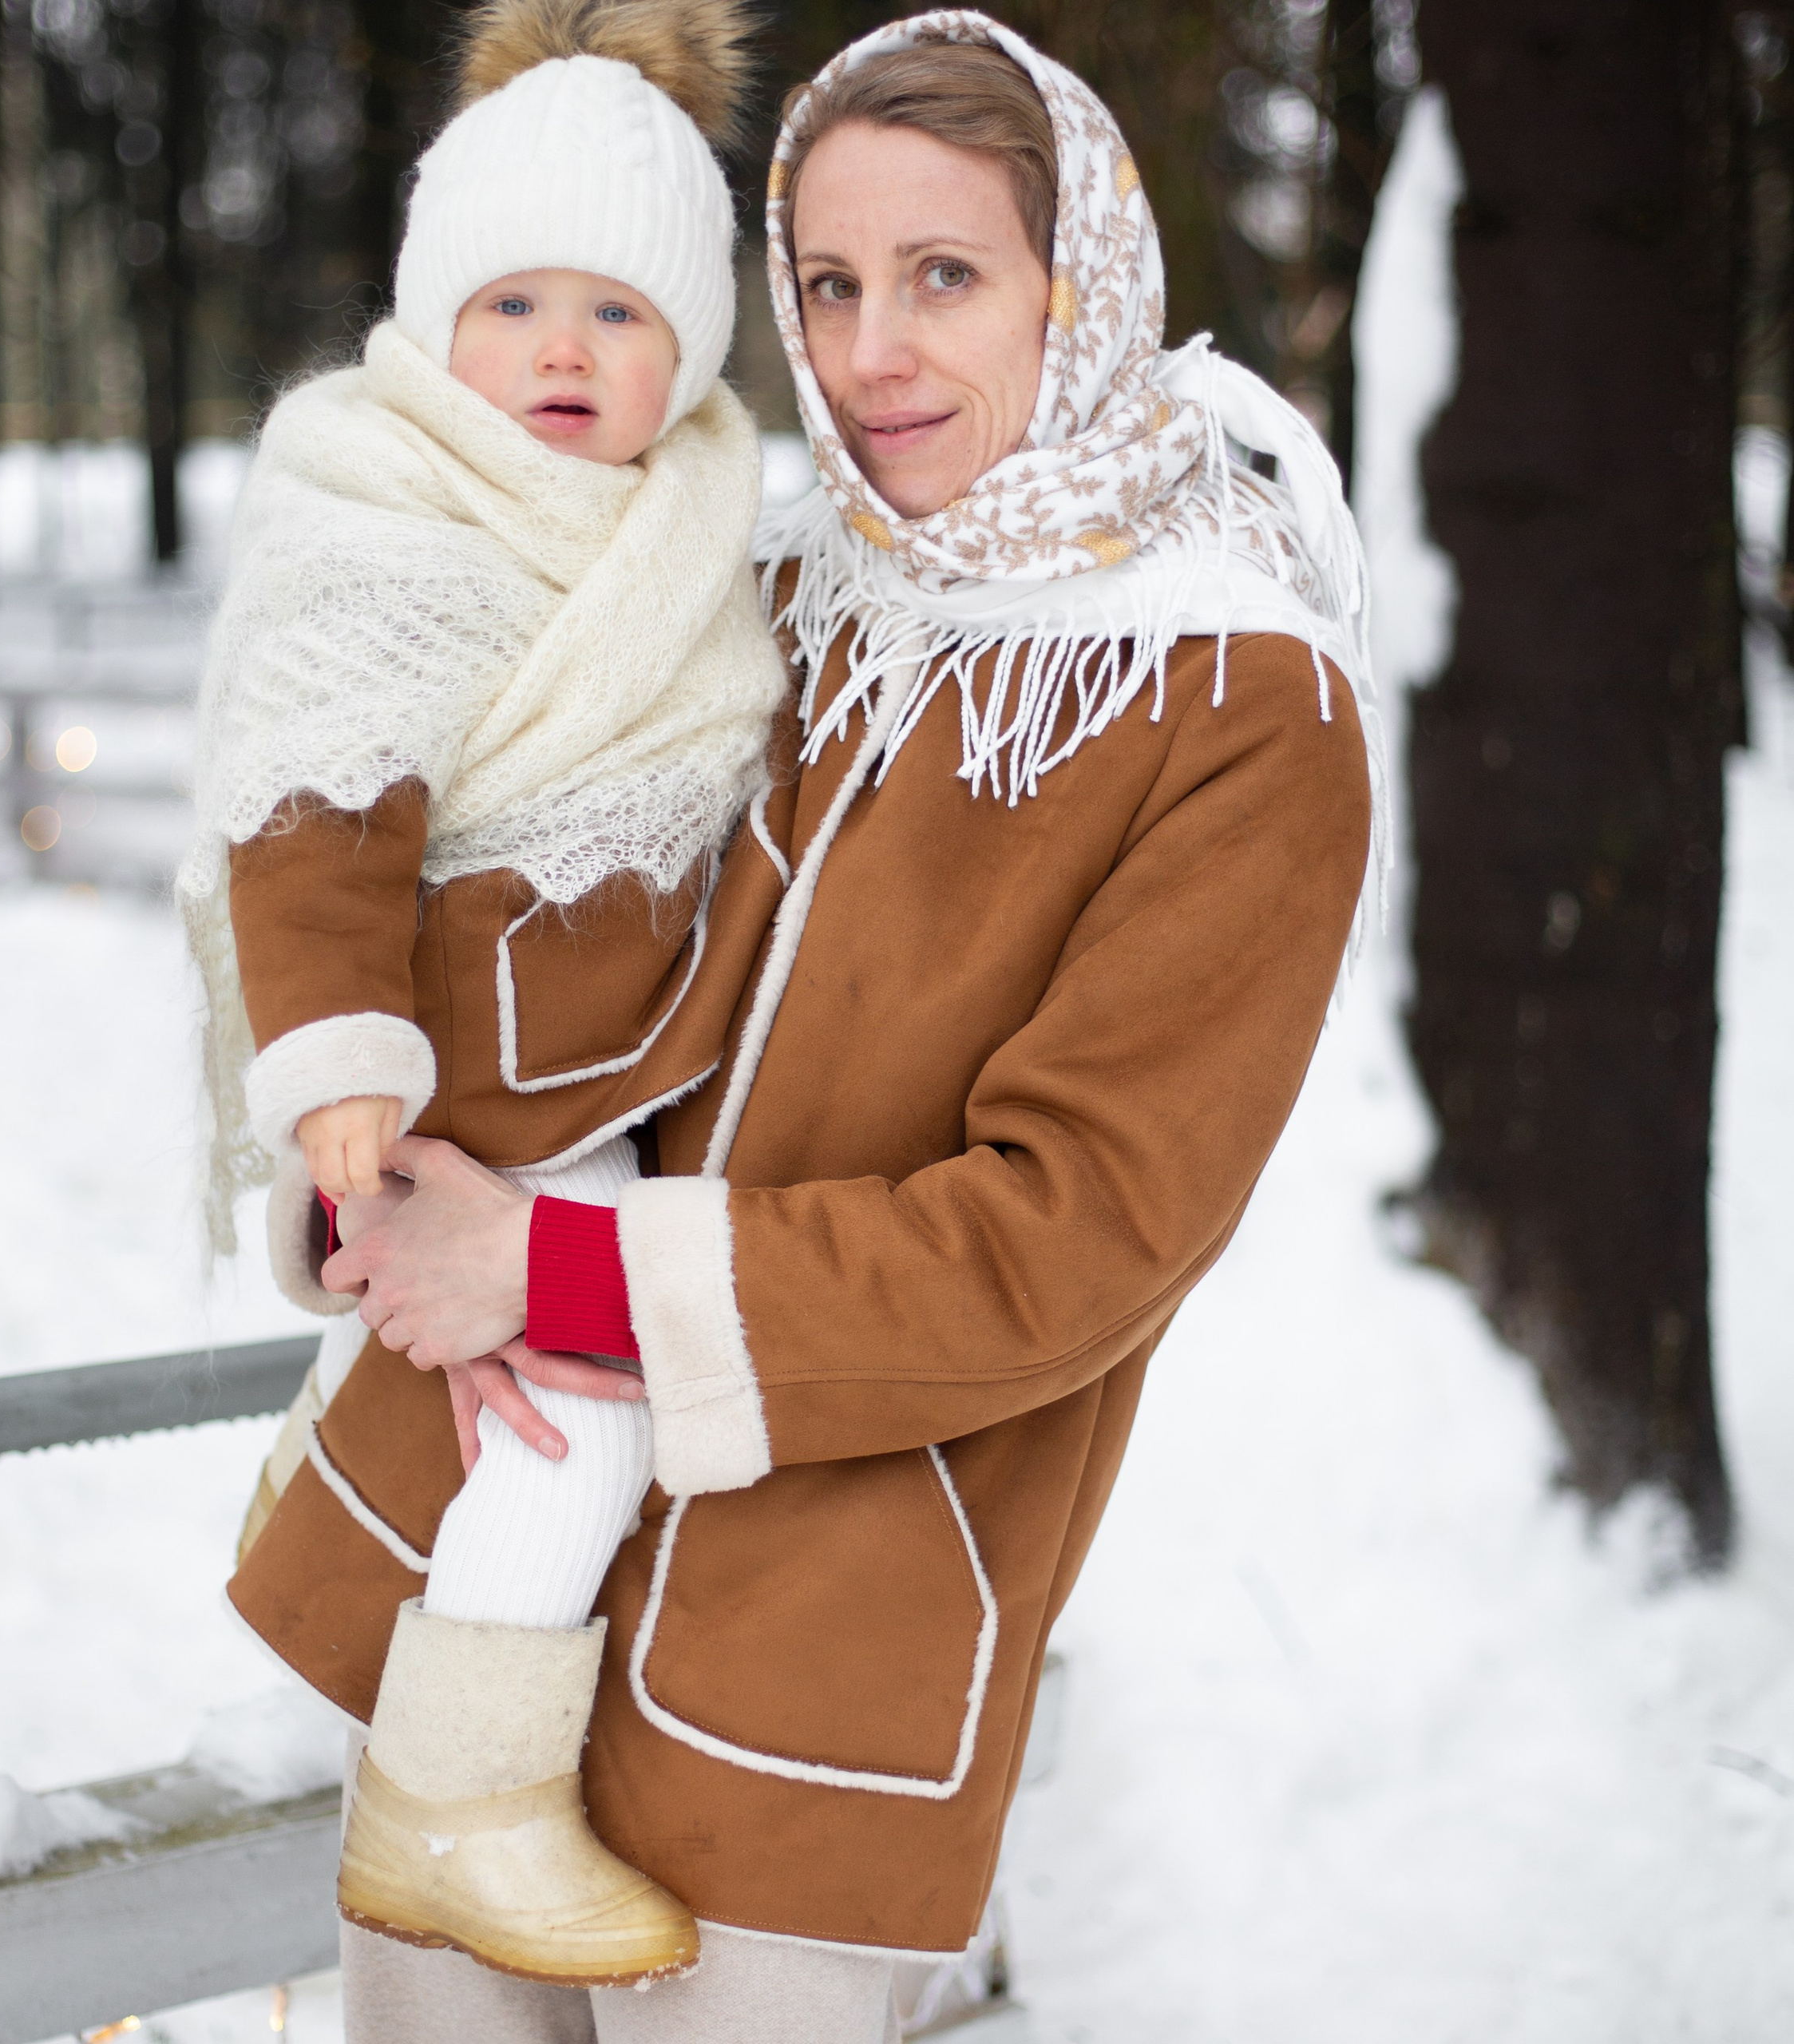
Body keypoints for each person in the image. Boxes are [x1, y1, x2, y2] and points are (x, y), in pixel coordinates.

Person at [232, 10, 1383, 2038]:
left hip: (815, 1665)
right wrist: (370, 1179)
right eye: (829, 286)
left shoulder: (1233, 704)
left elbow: (1067, 1240)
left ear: (1078, 277)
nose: (870, 357)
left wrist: (554, 1263)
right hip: (482, 1600)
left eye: (944, 276)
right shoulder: (761, 577)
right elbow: (462, 866)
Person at [179, 0, 787, 1989]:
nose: (558, 350)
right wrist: (341, 1069)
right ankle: (458, 1793)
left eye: (618, 315)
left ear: (687, 350)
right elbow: (316, 803)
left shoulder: (701, 521)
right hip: (458, 1075)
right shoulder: (382, 500)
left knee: (567, 1386)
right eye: (512, 300)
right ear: (436, 316)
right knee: (579, 1421)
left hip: (604, 1066)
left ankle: (338, 1504)